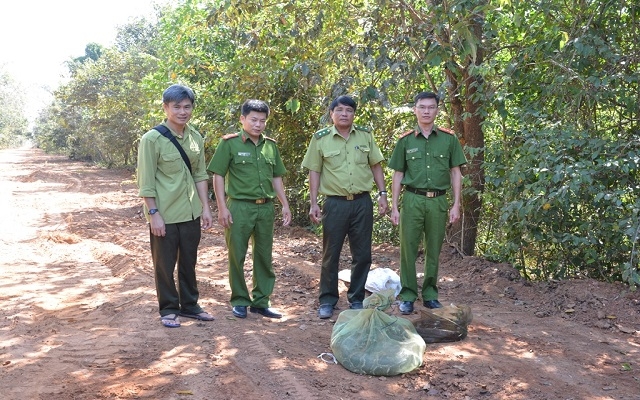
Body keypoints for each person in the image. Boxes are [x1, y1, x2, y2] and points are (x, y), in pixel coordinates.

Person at [301, 95, 388, 319]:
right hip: (335, 204)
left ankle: (356, 298)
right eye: (339, 110)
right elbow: (314, 171)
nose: (344, 114)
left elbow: (376, 165)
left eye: (349, 110)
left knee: (363, 253)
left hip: (362, 202)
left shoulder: (366, 136)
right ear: (331, 114)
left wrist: (383, 194)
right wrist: (313, 203)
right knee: (331, 253)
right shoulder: (321, 139)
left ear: (354, 114)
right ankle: (327, 300)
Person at [137, 84, 215, 328]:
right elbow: (146, 182)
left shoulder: (195, 137)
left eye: (187, 106)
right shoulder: (152, 139)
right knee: (164, 263)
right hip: (165, 213)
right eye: (177, 107)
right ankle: (169, 308)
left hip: (190, 211)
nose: (182, 111)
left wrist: (205, 207)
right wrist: (153, 214)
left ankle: (190, 305)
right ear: (166, 108)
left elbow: (201, 175)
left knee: (189, 261)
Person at [207, 99, 291, 319]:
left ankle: (261, 301)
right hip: (239, 207)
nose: (258, 124)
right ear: (242, 119)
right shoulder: (229, 144)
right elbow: (217, 175)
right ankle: (240, 300)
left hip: (265, 209)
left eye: (262, 121)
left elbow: (276, 178)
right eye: (253, 119)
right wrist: (222, 207)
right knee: (237, 254)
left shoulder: (270, 146)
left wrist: (284, 204)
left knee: (264, 255)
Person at [388, 91, 467, 314]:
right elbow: (398, 174)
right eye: (422, 107)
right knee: (408, 249)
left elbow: (455, 172)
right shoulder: (405, 141)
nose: (426, 111)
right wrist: (394, 206)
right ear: (415, 109)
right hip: (412, 199)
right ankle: (408, 295)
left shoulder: (448, 139)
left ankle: (431, 294)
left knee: (434, 249)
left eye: (431, 107)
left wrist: (456, 204)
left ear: (437, 110)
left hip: (438, 201)